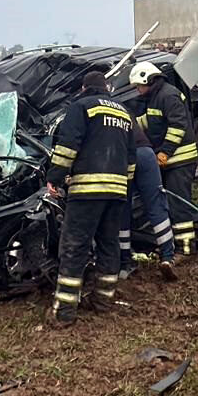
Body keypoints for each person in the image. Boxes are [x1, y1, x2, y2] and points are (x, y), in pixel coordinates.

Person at [46, 71, 134, 327]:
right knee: (109, 244)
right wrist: (123, 184)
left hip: (87, 190)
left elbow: (67, 146)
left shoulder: (81, 107)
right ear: (105, 88)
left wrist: (55, 176)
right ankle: (103, 301)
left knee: (75, 245)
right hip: (117, 191)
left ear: (84, 88)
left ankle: (64, 312)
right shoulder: (123, 112)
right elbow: (131, 156)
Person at [130, 62, 198, 255]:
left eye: (138, 85)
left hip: (180, 159)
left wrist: (164, 152)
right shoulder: (155, 97)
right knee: (170, 203)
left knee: (179, 205)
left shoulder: (169, 95)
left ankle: (186, 249)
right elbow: (152, 123)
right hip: (169, 160)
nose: (138, 90)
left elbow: (178, 126)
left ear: (148, 79)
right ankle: (175, 245)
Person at [118, 116, 179, 282]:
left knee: (121, 208)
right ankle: (167, 257)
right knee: (156, 205)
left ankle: (125, 262)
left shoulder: (88, 110)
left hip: (122, 157)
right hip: (145, 152)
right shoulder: (122, 109)